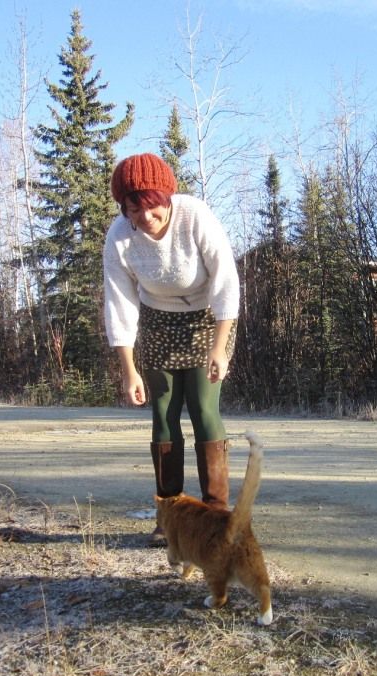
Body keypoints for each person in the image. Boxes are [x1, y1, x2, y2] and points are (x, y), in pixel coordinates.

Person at [102, 153, 240, 543]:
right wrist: (129, 369)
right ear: (124, 208)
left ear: (167, 197)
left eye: (153, 205)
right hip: (158, 321)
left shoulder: (194, 216)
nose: (146, 217)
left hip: (206, 319)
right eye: (134, 209)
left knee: (202, 407)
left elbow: (226, 280)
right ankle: (170, 515)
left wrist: (220, 346)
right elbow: (120, 302)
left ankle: (216, 512)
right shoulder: (119, 238)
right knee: (163, 412)